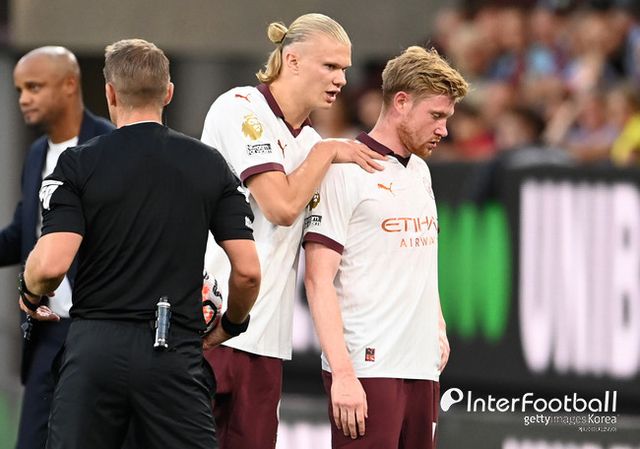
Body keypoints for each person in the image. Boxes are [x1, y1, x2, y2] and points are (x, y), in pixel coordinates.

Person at [18, 38, 260, 449]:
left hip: (94, 349)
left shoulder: (77, 163)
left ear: (110, 93)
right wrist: (233, 323)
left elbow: (51, 266)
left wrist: (29, 292)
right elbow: (249, 271)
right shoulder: (210, 165)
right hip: (173, 347)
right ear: (168, 93)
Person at [200, 13, 383, 449]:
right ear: (293, 60)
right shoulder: (241, 108)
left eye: (344, 68)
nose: (341, 79)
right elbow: (280, 207)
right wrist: (327, 152)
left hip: (267, 341)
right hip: (210, 325)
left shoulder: (311, 142)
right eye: (330, 66)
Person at [303, 46, 469, 448]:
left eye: (447, 118)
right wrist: (343, 373)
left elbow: (419, 259)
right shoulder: (344, 170)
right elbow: (317, 279)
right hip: (368, 368)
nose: (444, 130)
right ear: (401, 102)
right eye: (436, 116)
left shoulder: (422, 172)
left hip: (422, 366)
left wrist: (439, 325)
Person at [1, 45, 114, 449]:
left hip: (97, 332)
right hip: (44, 333)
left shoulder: (111, 144)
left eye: (34, 87)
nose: (24, 99)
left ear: (69, 84)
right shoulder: (36, 154)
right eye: (19, 90)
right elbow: (23, 234)